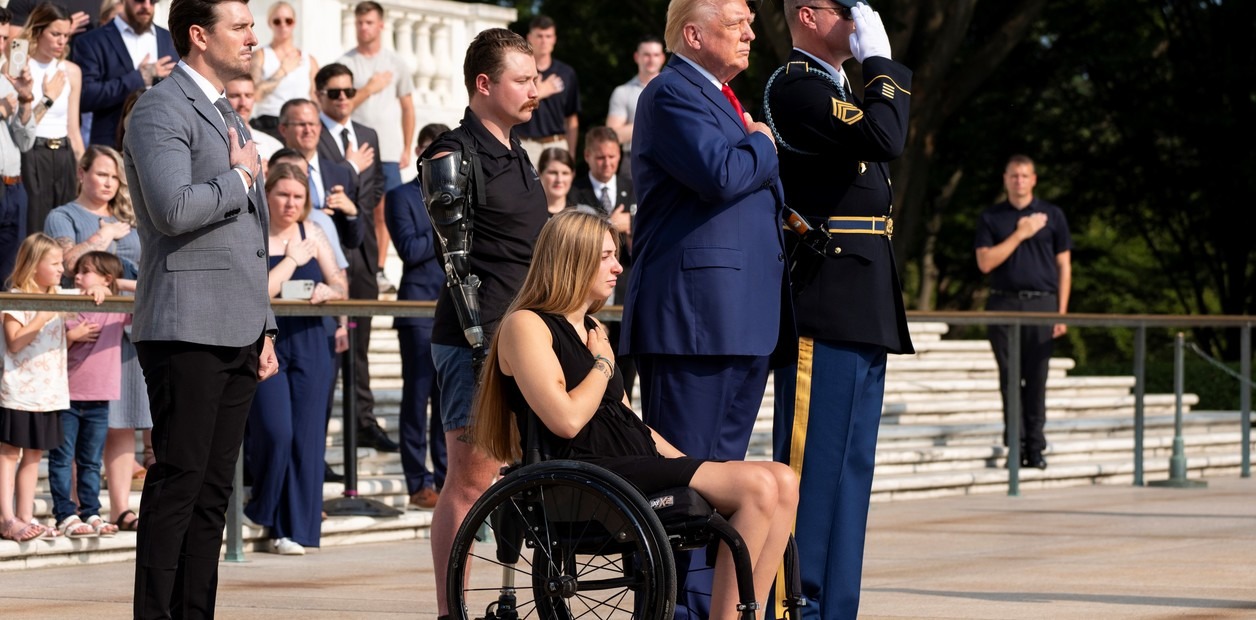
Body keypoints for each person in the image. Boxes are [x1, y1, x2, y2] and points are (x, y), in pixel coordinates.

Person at [471, 209, 799, 620]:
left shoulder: (591, 328)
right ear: (573, 259)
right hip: (587, 472)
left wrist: (686, 462)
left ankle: (753, 612)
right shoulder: (526, 325)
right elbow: (566, 420)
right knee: (758, 488)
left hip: (631, 462)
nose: (617, 266)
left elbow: (626, 418)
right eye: (606, 256)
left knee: (784, 480)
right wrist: (604, 364)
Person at [621, 0, 790, 615]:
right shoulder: (671, 92)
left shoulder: (719, 95)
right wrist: (763, 143)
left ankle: (709, 607)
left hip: (738, 317)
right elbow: (722, 173)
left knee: (726, 490)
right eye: (736, 22)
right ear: (693, 33)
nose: (750, 32)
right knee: (687, 489)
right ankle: (673, 608)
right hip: (694, 321)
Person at [122, 0, 278, 614]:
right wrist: (238, 180)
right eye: (239, 26)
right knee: (179, 484)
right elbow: (173, 210)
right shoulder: (161, 106)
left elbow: (253, 238)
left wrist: (265, 326)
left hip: (238, 326)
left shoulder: (226, 113)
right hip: (185, 324)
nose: (252, 37)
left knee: (214, 493)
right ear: (197, 35)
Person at [762, 2, 914, 617]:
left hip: (862, 300)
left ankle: (835, 608)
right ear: (807, 13)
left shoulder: (839, 89)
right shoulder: (796, 85)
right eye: (844, 9)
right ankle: (794, 606)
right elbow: (888, 137)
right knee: (811, 476)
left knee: (850, 478)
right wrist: (882, 63)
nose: (856, 22)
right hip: (824, 303)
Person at [422, 27, 547, 620]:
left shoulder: (517, 149)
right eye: (522, 80)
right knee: (471, 482)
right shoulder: (453, 152)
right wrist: (481, 345)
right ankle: (452, 609)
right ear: (484, 83)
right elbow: (455, 265)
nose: (536, 91)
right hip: (479, 340)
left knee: (523, 478)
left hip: (526, 335)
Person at [44, 145, 151, 533]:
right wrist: (102, 236)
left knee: (123, 423)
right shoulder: (63, 216)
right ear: (82, 173)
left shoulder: (129, 219)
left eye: (113, 176)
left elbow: (146, 274)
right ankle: (74, 506)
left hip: (127, 331)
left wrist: (121, 281)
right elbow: (67, 263)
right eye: (101, 173)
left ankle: (120, 506)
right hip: (85, 333)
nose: (107, 182)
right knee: (81, 428)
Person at [245, 162, 347, 556]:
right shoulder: (253, 232)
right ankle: (262, 507)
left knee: (306, 439)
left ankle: (293, 530)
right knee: (276, 431)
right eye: (283, 195)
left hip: (310, 340)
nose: (290, 203)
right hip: (265, 340)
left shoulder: (313, 232)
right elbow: (257, 291)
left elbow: (340, 281)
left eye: (298, 197)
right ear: (267, 195)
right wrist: (290, 259)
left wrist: (328, 291)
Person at [313, 62, 398, 453]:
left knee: (360, 344)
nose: (344, 98)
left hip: (362, 252)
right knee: (328, 345)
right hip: (323, 252)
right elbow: (322, 190)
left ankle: (362, 419)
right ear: (320, 95)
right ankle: (319, 427)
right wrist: (348, 181)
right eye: (335, 92)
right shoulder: (313, 135)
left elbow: (376, 186)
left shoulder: (368, 135)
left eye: (349, 91)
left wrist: (353, 205)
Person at [975, 154, 1072, 470]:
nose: (1019, 181)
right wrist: (1020, 233)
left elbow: (1064, 266)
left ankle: (1035, 448)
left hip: (1042, 305)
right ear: (1005, 179)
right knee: (1009, 379)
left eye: (1024, 176)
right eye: (1013, 176)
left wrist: (1061, 313)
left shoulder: (1053, 215)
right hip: (1003, 305)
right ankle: (1015, 448)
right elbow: (985, 263)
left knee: (1037, 379)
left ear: (1034, 180)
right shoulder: (992, 217)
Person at [383, 122, 448, 511]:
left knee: (448, 402)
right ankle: (417, 481)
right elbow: (408, 248)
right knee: (416, 396)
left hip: (453, 308)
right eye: (430, 149)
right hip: (417, 309)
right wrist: (446, 223)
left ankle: (446, 477)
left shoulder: (461, 194)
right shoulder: (401, 196)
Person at [0, 234, 77, 541]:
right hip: (19, 391)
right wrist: (43, 316)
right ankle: (7, 517)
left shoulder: (60, 293)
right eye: (55, 263)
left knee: (33, 456)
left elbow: (95, 291)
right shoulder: (16, 295)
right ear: (34, 265)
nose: (61, 269)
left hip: (50, 393)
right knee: (9, 455)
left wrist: (98, 288)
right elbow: (15, 342)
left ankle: (25, 516)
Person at [338, 0, 415, 292]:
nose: (363, 27)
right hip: (359, 150)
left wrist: (407, 146)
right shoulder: (346, 63)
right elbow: (341, 104)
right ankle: (358, 267)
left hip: (391, 151)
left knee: (386, 212)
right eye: (359, 22)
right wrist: (368, 88)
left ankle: (380, 270)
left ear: (381, 24)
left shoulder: (396, 63)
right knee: (358, 209)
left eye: (369, 22)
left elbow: (408, 107)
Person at [49, 250, 125, 538]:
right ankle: (65, 514)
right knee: (61, 458)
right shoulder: (65, 302)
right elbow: (45, 345)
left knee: (91, 461)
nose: (78, 276)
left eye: (86, 271)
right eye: (77, 271)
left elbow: (148, 289)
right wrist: (71, 337)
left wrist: (110, 286)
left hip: (99, 399)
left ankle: (91, 511)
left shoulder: (117, 305)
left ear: (106, 277)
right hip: (65, 396)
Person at [569, 125, 636, 396]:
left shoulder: (634, 188)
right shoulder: (574, 191)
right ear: (587, 156)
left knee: (626, 373)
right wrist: (610, 225)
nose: (607, 163)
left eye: (612, 156)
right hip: (588, 296)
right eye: (600, 158)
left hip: (625, 291)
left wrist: (631, 225)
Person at [71, 0, 177, 149]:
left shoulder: (171, 39)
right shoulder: (92, 41)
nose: (146, 6)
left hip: (165, 142)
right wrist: (138, 78)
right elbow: (86, 96)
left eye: (153, 1)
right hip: (112, 147)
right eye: (139, 0)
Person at [20, 2, 86, 236]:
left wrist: (84, 168)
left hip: (65, 154)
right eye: (55, 34)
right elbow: (21, 126)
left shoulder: (71, 71)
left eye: (66, 35)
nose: (62, 41)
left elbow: (74, 128)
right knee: (35, 229)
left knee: (63, 228)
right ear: (38, 31)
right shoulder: (21, 67)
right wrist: (48, 98)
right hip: (33, 153)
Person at [0, 7, 38, 281]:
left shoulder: (7, 81)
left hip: (14, 187)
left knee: (9, 277)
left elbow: (25, 142)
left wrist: (25, 100)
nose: (1, 45)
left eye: (3, 38)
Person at [514, 15, 579, 164]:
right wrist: (540, 93)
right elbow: (511, 108)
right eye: (539, 36)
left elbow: (571, 119)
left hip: (557, 143)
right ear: (529, 38)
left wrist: (572, 153)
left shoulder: (566, 73)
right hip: (525, 144)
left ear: (554, 39)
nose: (544, 41)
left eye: (548, 36)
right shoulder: (519, 70)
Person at [247, 1, 316, 140]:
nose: (283, 25)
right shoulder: (260, 56)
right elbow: (254, 95)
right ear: (270, 23)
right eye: (277, 21)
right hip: (270, 123)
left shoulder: (309, 60)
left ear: (294, 23)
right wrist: (283, 71)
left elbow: (316, 98)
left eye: (288, 20)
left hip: (302, 126)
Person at [605, 35, 664, 177]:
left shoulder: (677, 90)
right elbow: (612, 137)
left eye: (656, 55)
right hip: (634, 160)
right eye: (646, 55)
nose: (651, 60)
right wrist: (652, 120)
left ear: (662, 58)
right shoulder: (623, 92)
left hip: (669, 157)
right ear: (637, 57)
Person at [225, 74, 283, 163]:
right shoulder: (215, 141)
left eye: (248, 96)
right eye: (235, 96)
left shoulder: (273, 146)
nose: (243, 103)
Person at [537, 146, 576, 215]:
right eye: (553, 173)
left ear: (572, 175)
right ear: (540, 174)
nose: (559, 180)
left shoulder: (584, 214)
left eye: (565, 173)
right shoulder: (526, 214)